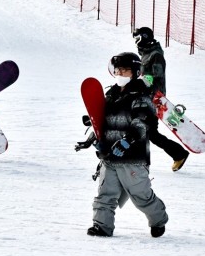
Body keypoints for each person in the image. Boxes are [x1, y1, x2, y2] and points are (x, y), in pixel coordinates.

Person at [75, 52, 169, 238]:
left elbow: (142, 123)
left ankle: (159, 219)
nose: (120, 74)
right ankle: (102, 226)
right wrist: (90, 139)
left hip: (131, 158)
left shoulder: (141, 96)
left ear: (135, 72)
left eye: (125, 71)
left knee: (140, 195)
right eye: (117, 70)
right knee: (105, 194)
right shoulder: (111, 95)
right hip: (109, 155)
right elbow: (103, 123)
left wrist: (127, 141)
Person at [132, 26, 190, 171]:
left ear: (144, 38)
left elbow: (157, 78)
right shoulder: (146, 54)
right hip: (145, 98)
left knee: (151, 133)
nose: (136, 42)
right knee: (147, 132)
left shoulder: (155, 55)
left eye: (137, 38)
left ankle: (178, 154)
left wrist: (147, 88)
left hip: (153, 99)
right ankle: (177, 154)